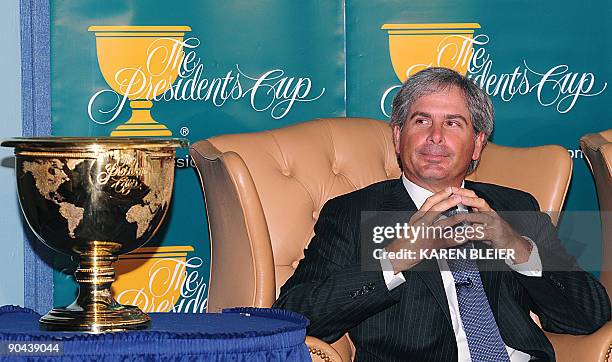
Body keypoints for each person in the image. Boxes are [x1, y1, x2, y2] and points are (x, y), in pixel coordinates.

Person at [272, 67, 610, 361]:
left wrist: (516, 248)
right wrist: (393, 260)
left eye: (453, 123)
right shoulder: (353, 212)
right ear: (398, 136)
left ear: (478, 144)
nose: (436, 137)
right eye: (421, 121)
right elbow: (292, 317)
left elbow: (589, 315)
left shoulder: (515, 207)